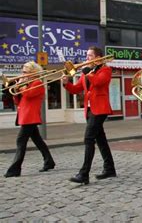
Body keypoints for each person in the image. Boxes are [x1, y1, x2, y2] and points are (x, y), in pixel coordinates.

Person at [63, 46, 116, 185]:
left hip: (100, 109)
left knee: (88, 139)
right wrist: (66, 83)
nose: (87, 59)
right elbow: (76, 89)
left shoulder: (105, 70)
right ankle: (109, 168)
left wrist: (88, 73)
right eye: (86, 56)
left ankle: (84, 174)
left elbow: (98, 83)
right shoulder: (86, 73)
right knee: (101, 140)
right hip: (89, 109)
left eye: (90, 56)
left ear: (98, 58)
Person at [4, 61, 55, 178]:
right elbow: (18, 101)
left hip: (30, 117)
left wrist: (21, 86)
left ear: (33, 73)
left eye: (25, 72)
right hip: (25, 115)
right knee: (38, 141)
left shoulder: (38, 83)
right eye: (22, 72)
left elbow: (29, 95)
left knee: (20, 141)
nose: (22, 74)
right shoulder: (27, 83)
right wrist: (16, 91)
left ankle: (15, 169)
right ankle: (49, 161)